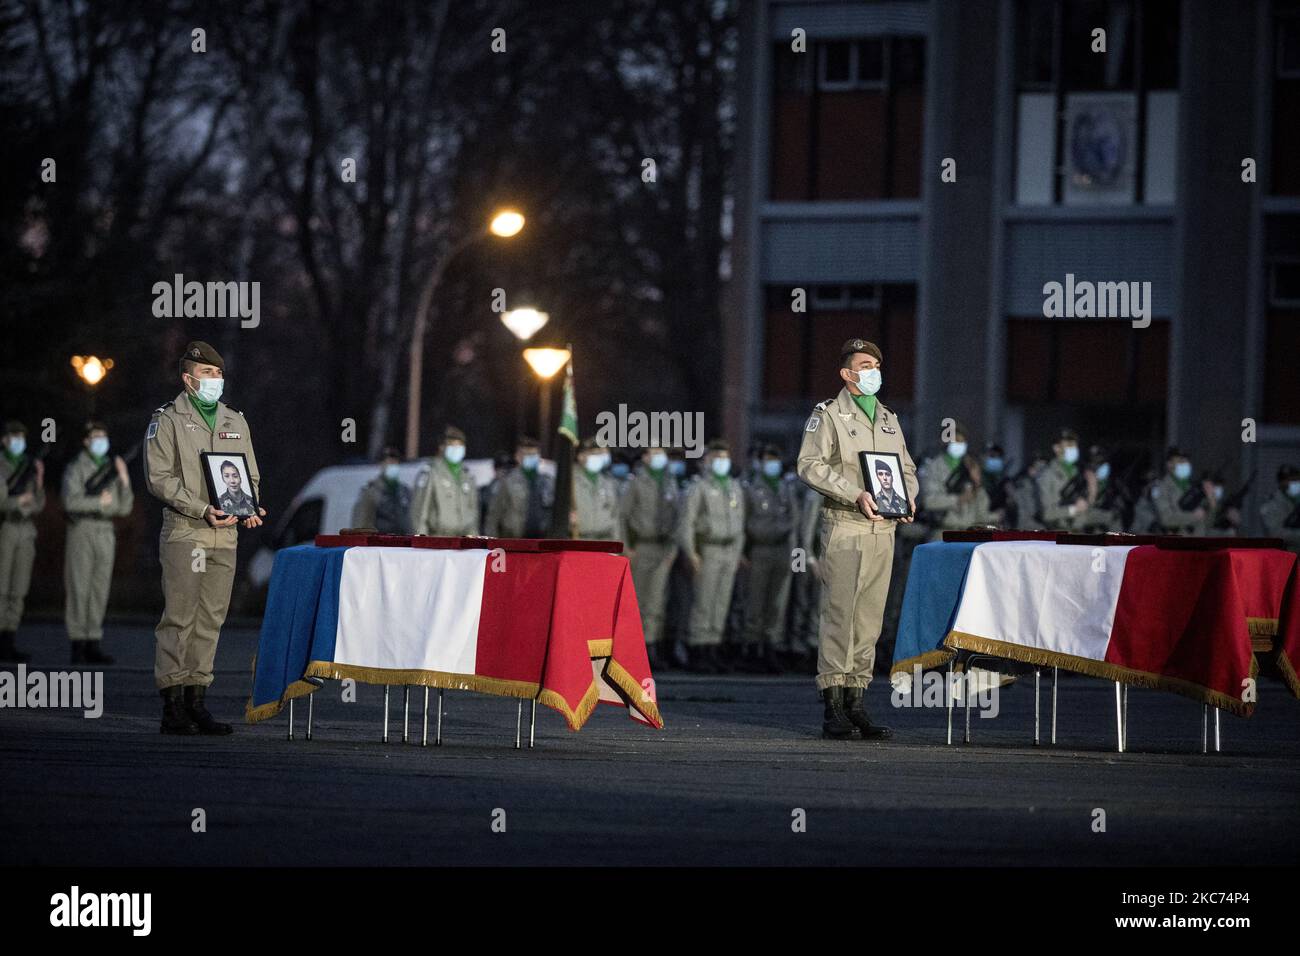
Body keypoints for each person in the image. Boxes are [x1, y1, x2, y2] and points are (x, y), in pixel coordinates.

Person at [797, 338, 917, 740]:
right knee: (840, 615)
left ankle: (857, 702)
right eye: (865, 365)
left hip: (883, 529)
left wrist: (907, 498)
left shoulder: (887, 417)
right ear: (847, 374)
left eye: (878, 364)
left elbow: (906, 467)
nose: (874, 371)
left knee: (868, 620)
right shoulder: (827, 415)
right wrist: (854, 493)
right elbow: (809, 466)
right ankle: (833, 704)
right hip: (845, 524)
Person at [145, 341, 264, 735]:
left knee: (211, 618)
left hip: (225, 535)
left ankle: (198, 700)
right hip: (187, 531)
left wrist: (249, 507)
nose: (216, 380)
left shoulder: (234, 421)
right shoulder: (168, 420)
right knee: (180, 616)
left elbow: (250, 475)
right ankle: (172, 703)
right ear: (188, 379)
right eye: (208, 374)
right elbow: (159, 478)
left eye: (219, 374)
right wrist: (199, 508)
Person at [62, 422, 134, 664]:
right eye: (95, 436)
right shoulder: (76, 468)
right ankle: (77, 643)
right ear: (86, 440)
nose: (101, 440)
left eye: (104, 436)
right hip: (82, 528)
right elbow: (70, 502)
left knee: (99, 589)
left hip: (105, 530)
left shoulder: (109, 468)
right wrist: (98, 503)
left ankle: (93, 641)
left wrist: (124, 480)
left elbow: (123, 508)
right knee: (79, 587)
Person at [677, 438, 745, 673]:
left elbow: (739, 524)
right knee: (704, 602)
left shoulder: (734, 487)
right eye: (716, 458)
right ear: (706, 461)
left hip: (728, 550)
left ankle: (713, 648)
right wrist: (691, 552)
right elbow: (687, 523)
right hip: (708, 549)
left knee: (721, 603)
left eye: (724, 458)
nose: (721, 463)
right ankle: (698, 648)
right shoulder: (699, 487)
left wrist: (737, 552)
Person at [740, 444, 798, 673]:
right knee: (756, 601)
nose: (771, 464)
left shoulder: (785, 488)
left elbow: (795, 518)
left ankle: (771, 647)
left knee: (777, 603)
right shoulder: (751, 488)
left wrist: (795, 555)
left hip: (782, 550)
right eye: (768, 460)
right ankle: (752, 648)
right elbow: (744, 521)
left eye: (775, 459)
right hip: (760, 550)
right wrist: (744, 552)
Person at [622, 446, 681, 666]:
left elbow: (678, 518)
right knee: (638, 601)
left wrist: (672, 550)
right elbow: (623, 515)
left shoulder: (669, 482)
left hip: (663, 547)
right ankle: (634, 648)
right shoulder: (636, 482)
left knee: (657, 601)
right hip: (642, 547)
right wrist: (626, 547)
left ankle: (652, 646)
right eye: (653, 453)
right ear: (645, 457)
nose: (658, 457)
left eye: (660, 453)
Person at [0, 421, 44, 663]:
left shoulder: (26, 465)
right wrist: (18, 502)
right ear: (4, 439)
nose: (18, 441)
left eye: (21, 436)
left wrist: (38, 481)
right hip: (5, 527)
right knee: (2, 588)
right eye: (13, 436)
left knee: (18, 589)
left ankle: (9, 640)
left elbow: (38, 504)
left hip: (25, 530)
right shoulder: (2, 465)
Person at [918, 425, 997, 540]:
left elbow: (981, 512)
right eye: (956, 441)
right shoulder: (934, 467)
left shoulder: (969, 466)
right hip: (942, 532)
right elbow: (929, 501)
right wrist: (957, 499)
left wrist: (977, 485)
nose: (959, 445)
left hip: (968, 533)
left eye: (962, 441)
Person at [410, 428, 477, 536]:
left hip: (462, 541)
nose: (456, 449)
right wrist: (422, 543)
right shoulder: (431, 472)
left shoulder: (467, 476)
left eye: (459, 445)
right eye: (452, 445)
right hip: (437, 539)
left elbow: (472, 513)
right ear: (442, 447)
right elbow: (419, 512)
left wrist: (474, 541)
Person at [484, 437, 553, 538]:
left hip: (542, 540)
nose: (531, 458)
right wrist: (492, 543)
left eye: (534, 455)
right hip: (514, 540)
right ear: (518, 457)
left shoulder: (547, 482)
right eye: (527, 455)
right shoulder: (507, 481)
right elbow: (493, 515)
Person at [1036, 429, 1096, 531]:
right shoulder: (1047, 474)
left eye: (1075, 446)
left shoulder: (1078, 472)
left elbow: (1087, 506)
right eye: (1069, 445)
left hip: (1080, 531)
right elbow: (1046, 513)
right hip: (1058, 532)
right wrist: (1073, 510)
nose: (1073, 449)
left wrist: (1092, 489)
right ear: (1056, 448)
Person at [350, 446, 413, 534]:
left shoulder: (405, 491)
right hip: (379, 544)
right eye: (389, 463)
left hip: (402, 544)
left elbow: (411, 521)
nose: (393, 466)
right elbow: (361, 523)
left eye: (395, 463)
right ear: (381, 465)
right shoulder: (371, 491)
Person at [573, 438, 624, 542]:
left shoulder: (608, 482)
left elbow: (615, 516)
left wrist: (616, 543)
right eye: (594, 454)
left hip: (605, 541)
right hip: (580, 541)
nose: (599, 458)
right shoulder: (570, 482)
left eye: (600, 454)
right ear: (581, 456)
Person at [1152, 446, 1209, 535]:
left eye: (1186, 461)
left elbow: (1206, 520)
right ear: (1169, 464)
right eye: (1181, 461)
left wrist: (1211, 502)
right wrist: (1194, 517)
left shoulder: (1190, 486)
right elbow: (1165, 519)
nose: (1185, 464)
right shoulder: (1161, 488)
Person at [1259, 465, 1300, 553]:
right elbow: (1276, 533)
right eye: (1291, 480)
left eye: (1297, 480)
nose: (1296, 483)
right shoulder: (1271, 505)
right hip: (1284, 555)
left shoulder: (1297, 500)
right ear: (1282, 482)